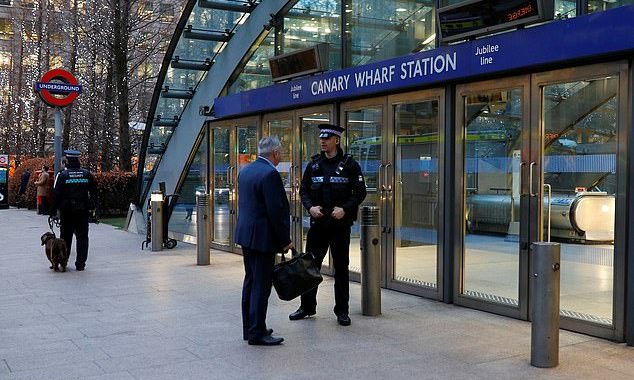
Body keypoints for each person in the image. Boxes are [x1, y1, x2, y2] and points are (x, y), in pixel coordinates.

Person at [289, 123, 367, 326]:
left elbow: (360, 192)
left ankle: (342, 311)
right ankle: (307, 307)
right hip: (318, 226)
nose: (323, 141)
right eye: (321, 138)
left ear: (337, 140)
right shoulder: (314, 165)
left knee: (341, 269)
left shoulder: (350, 164)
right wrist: (309, 207)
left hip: (340, 226)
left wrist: (345, 209)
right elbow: (304, 190)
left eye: (327, 138)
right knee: (309, 267)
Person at [235, 136, 293, 346]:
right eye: (281, 152)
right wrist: (285, 240)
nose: (282, 155)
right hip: (262, 238)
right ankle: (257, 332)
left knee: (250, 281)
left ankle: (249, 328)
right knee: (261, 285)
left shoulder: (246, 171)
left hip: (247, 236)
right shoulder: (270, 174)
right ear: (275, 153)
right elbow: (275, 211)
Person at [52, 150, 98, 271]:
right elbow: (94, 192)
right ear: (78, 160)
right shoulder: (87, 174)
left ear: (67, 160)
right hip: (82, 211)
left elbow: (56, 194)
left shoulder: (63, 175)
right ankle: (81, 263)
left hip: (67, 212)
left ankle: (64, 262)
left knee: (65, 238)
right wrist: (91, 205)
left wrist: (53, 212)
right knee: (82, 237)